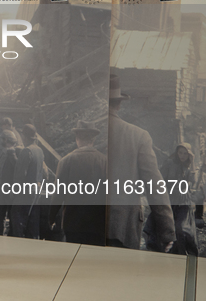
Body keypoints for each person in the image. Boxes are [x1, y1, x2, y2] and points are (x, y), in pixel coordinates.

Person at [106, 74, 175, 251]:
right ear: (119, 104)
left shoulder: (87, 134)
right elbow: (154, 185)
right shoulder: (137, 136)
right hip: (123, 228)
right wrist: (166, 230)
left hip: (82, 229)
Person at [49, 121, 106, 246]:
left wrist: (51, 218)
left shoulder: (66, 161)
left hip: (73, 224)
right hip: (98, 224)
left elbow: (58, 195)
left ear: (77, 139)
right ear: (93, 139)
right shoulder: (105, 162)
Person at [148, 143, 198, 255]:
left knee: (181, 229)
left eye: (185, 154)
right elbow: (160, 178)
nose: (182, 156)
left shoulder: (188, 166)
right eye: (180, 152)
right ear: (177, 152)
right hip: (170, 199)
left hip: (184, 202)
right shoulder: (169, 163)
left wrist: (193, 161)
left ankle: (181, 253)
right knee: (166, 227)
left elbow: (193, 181)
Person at [10, 124, 45, 239]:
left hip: (24, 193)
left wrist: (14, 193)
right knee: (32, 223)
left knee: (18, 222)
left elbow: (20, 176)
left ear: (24, 136)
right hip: (36, 192)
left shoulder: (26, 151)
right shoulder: (39, 150)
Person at [0, 130, 19, 235]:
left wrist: (13, 190)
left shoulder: (13, 154)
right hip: (3, 190)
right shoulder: (4, 153)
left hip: (9, 191)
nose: (1, 141)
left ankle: (10, 236)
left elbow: (16, 174)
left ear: (6, 140)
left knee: (10, 215)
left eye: (2, 139)